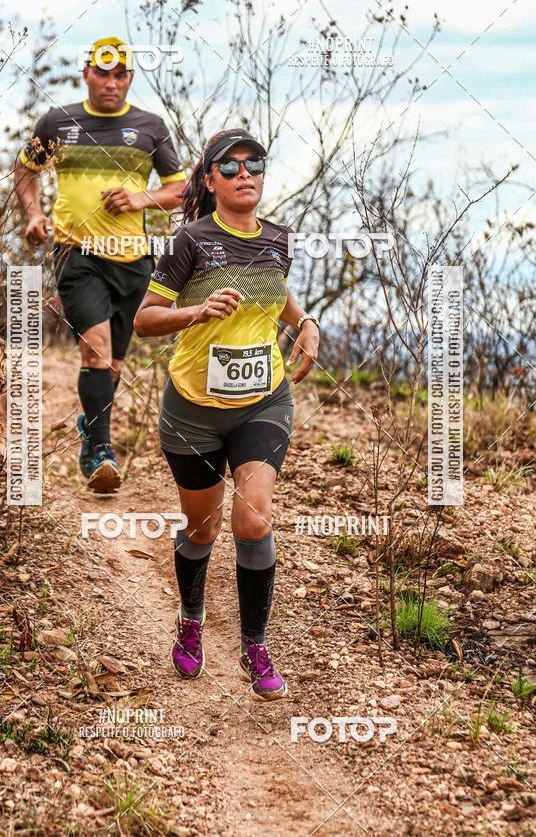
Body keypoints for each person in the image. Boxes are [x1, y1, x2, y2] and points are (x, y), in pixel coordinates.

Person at [134, 128, 320, 701]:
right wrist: (196, 310)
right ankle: (192, 620)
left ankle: (254, 644)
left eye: (254, 165)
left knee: (254, 519)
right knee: (201, 528)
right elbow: (143, 320)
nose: (245, 174)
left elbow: (276, 292)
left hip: (263, 401)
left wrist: (306, 322)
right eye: (230, 166)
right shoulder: (190, 241)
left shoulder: (278, 239)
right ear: (209, 180)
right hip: (193, 410)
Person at [14, 36, 186, 493]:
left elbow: (181, 191)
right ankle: (100, 452)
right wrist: (34, 213)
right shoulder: (58, 121)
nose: (111, 83)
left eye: (120, 75)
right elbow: (25, 168)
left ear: (129, 78)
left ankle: (90, 427)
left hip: (133, 261)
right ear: (87, 73)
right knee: (96, 351)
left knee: (111, 366)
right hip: (77, 254)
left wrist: (139, 197)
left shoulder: (150, 127)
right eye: (102, 73)